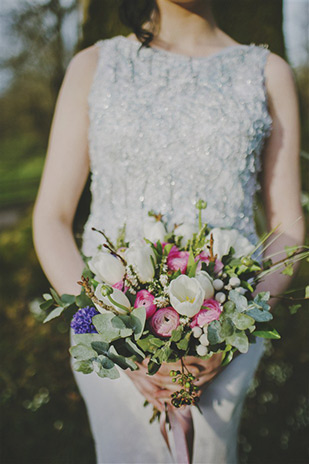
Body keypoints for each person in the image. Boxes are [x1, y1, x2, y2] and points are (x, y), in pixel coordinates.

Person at [32, 0, 305, 462]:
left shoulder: (267, 72)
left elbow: (288, 231)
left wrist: (230, 333)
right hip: (111, 339)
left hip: (224, 346)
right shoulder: (94, 65)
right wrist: (111, 332)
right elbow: (51, 217)